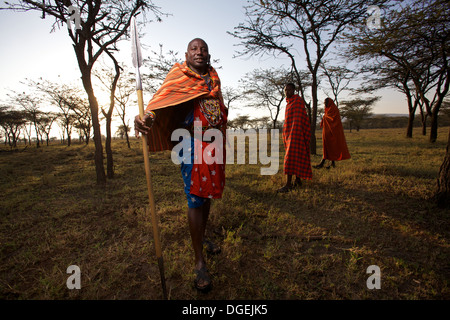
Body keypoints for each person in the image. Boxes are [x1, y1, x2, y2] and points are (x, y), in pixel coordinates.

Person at [134, 38, 227, 292]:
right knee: (196, 196)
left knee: (206, 196)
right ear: (186, 54)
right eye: (194, 49)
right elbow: (159, 103)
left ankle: (203, 235)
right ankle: (199, 262)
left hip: (213, 145)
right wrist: (146, 118)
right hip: (189, 144)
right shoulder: (179, 75)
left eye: (204, 49)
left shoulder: (213, 78)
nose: (199, 52)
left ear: (209, 54)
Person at [278, 83, 312, 193]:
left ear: (294, 90)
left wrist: (294, 133)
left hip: (296, 134)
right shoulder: (289, 103)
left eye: (289, 90)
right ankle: (298, 180)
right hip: (290, 134)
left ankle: (288, 185)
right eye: (285, 90)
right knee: (296, 157)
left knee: (289, 158)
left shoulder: (297, 101)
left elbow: (299, 120)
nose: (287, 92)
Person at [313, 98, 350, 169]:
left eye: (325, 103)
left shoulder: (334, 109)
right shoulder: (328, 109)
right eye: (324, 103)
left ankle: (322, 163)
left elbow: (334, 121)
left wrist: (325, 118)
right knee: (328, 147)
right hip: (327, 132)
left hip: (333, 133)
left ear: (329, 102)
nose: (325, 104)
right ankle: (332, 163)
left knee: (330, 147)